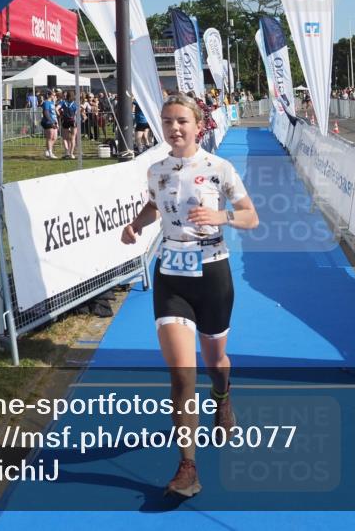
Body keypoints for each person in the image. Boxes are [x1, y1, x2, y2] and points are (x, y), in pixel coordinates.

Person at [121, 92, 259, 497]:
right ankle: (188, 467)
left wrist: (223, 216)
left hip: (213, 272)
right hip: (171, 274)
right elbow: (154, 207)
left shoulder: (220, 168)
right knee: (182, 373)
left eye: (181, 121)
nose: (174, 128)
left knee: (215, 361)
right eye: (167, 122)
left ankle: (223, 396)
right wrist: (136, 225)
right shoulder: (155, 170)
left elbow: (251, 216)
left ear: (199, 125)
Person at [41, 89, 59, 158]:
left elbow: (54, 113)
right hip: (48, 122)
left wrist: (56, 122)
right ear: (49, 95)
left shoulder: (52, 103)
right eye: (53, 95)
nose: (54, 96)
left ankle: (48, 151)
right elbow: (46, 113)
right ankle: (50, 152)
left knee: (55, 137)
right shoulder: (46, 103)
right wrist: (51, 122)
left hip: (54, 121)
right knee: (50, 137)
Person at [59, 91, 78, 158]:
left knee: (64, 137)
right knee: (73, 137)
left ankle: (67, 152)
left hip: (65, 120)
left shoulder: (63, 102)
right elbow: (77, 112)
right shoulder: (75, 103)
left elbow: (56, 108)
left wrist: (60, 115)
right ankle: (71, 154)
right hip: (73, 120)